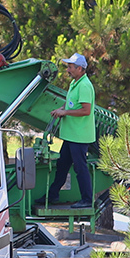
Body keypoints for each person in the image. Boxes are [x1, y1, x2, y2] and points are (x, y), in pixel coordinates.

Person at [47, 52, 96, 210]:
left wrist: (65, 113)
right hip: (71, 135)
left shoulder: (84, 86)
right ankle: (53, 195)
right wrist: (61, 109)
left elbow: (85, 110)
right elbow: (72, 105)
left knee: (80, 168)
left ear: (80, 69)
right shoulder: (75, 83)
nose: (67, 70)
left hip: (79, 136)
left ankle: (87, 199)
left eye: (70, 67)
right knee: (62, 165)